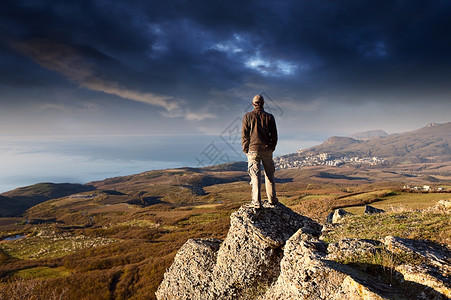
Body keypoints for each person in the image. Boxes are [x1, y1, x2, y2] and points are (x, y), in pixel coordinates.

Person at [241, 94, 278, 208]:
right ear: (263, 104)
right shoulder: (269, 117)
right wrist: (271, 147)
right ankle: (272, 199)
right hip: (267, 150)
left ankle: (256, 202)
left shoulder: (247, 116)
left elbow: (245, 135)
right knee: (269, 175)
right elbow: (274, 136)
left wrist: (245, 149)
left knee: (255, 176)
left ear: (253, 104)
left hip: (253, 150)